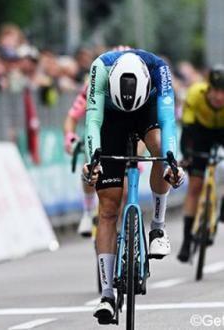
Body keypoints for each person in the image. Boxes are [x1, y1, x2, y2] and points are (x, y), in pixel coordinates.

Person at [82, 49, 184, 324]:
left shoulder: (159, 70)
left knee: (160, 151)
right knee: (108, 209)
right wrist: (93, 161)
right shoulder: (100, 69)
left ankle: (158, 228)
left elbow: (168, 123)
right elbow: (92, 121)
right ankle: (106, 296)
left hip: (147, 113)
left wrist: (172, 163)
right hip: (111, 120)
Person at [177, 65, 224, 262]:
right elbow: (187, 129)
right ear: (208, 88)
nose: (219, 97)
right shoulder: (196, 93)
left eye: (223, 93)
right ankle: (187, 240)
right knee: (195, 185)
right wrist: (187, 156)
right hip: (200, 132)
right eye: (216, 91)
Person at [63, 82, 97, 237]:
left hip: (124, 137)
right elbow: (72, 117)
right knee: (89, 165)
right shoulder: (92, 85)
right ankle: (88, 212)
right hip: (97, 136)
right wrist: (70, 136)